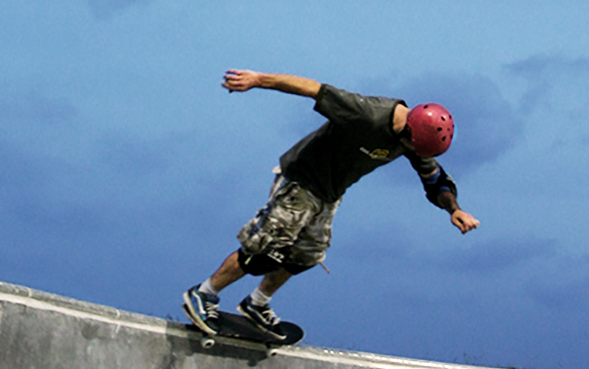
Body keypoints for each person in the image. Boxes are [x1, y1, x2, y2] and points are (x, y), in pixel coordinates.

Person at [183, 70, 480, 340]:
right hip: (301, 179)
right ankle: (204, 293)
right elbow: (314, 89)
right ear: (409, 129)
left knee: (305, 255)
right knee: (266, 249)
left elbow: (435, 180)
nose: (413, 152)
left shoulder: (414, 139)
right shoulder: (369, 113)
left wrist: (454, 209)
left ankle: (257, 303)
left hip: (330, 192)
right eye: (413, 147)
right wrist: (258, 80)